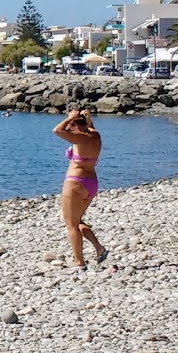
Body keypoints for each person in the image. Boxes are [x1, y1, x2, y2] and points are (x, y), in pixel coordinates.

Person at [54, 108, 107, 269]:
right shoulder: (95, 135)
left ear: (75, 126)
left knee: (71, 224)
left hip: (75, 182)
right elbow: (90, 127)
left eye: (72, 125)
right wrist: (87, 119)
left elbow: (57, 130)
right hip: (91, 183)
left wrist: (69, 117)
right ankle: (99, 248)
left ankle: (79, 262)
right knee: (78, 220)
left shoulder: (80, 138)